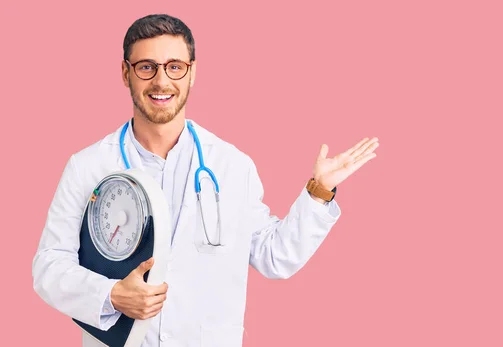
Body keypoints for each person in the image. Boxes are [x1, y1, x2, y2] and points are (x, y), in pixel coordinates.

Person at [32, 13, 379, 347]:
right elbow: (49, 266)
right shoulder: (88, 165)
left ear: (192, 73)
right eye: (146, 67)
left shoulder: (231, 166)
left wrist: (319, 191)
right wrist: (110, 296)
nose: (161, 81)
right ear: (126, 73)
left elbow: (275, 256)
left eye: (175, 67)